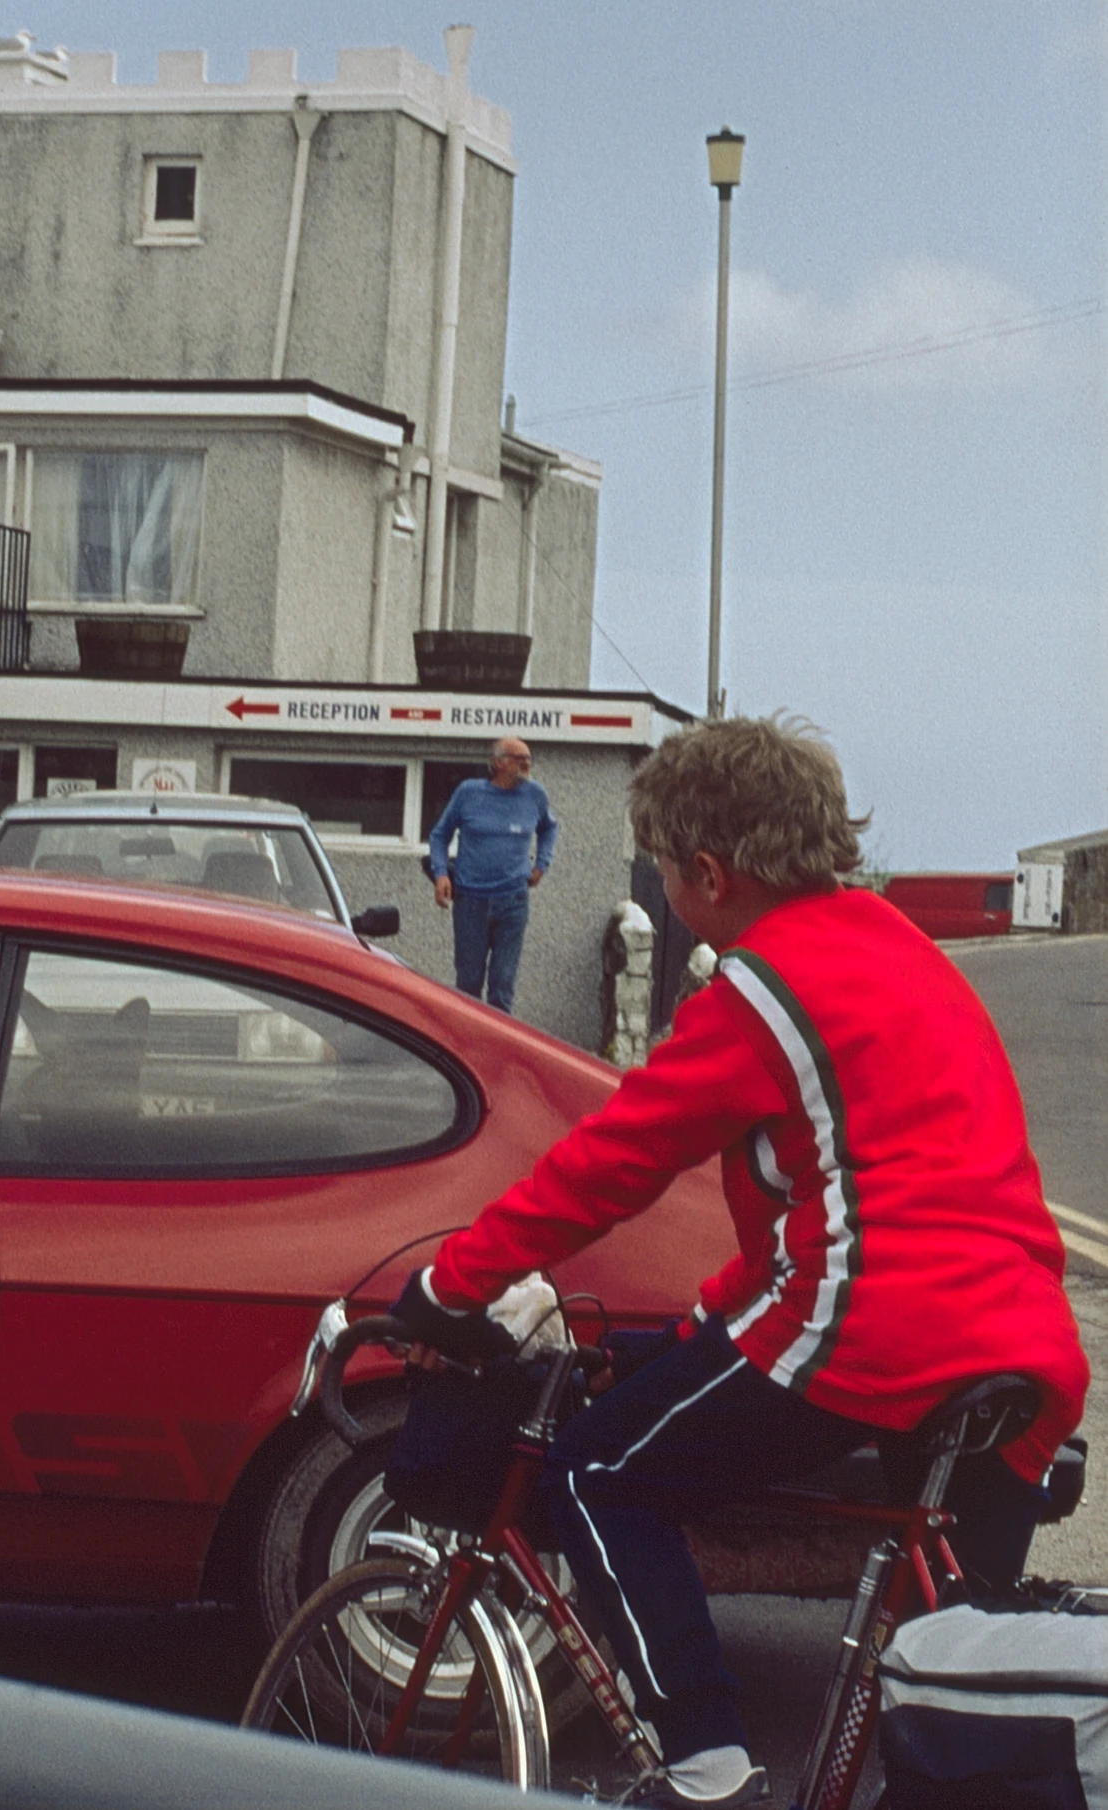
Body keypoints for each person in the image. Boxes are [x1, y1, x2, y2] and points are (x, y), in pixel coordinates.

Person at [397, 714, 1086, 1809]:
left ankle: (706, 1766)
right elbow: (827, 1207)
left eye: (665, 867)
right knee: (955, 1700)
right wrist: (689, 1333)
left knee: (595, 1469)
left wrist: (452, 1281)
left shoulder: (762, 994)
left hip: (871, 1322)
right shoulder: (901, 947)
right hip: (1017, 1335)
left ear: (708, 874)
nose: (668, 886)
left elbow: (611, 1164)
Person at [427, 736, 557, 1010]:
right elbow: (440, 835)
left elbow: (549, 828)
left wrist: (542, 864)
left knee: (502, 986)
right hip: (470, 902)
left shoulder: (536, 794)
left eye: (529, 759)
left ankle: (497, 1049)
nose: (526, 764)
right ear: (498, 762)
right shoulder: (469, 793)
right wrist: (440, 874)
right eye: (519, 758)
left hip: (513, 901)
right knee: (468, 984)